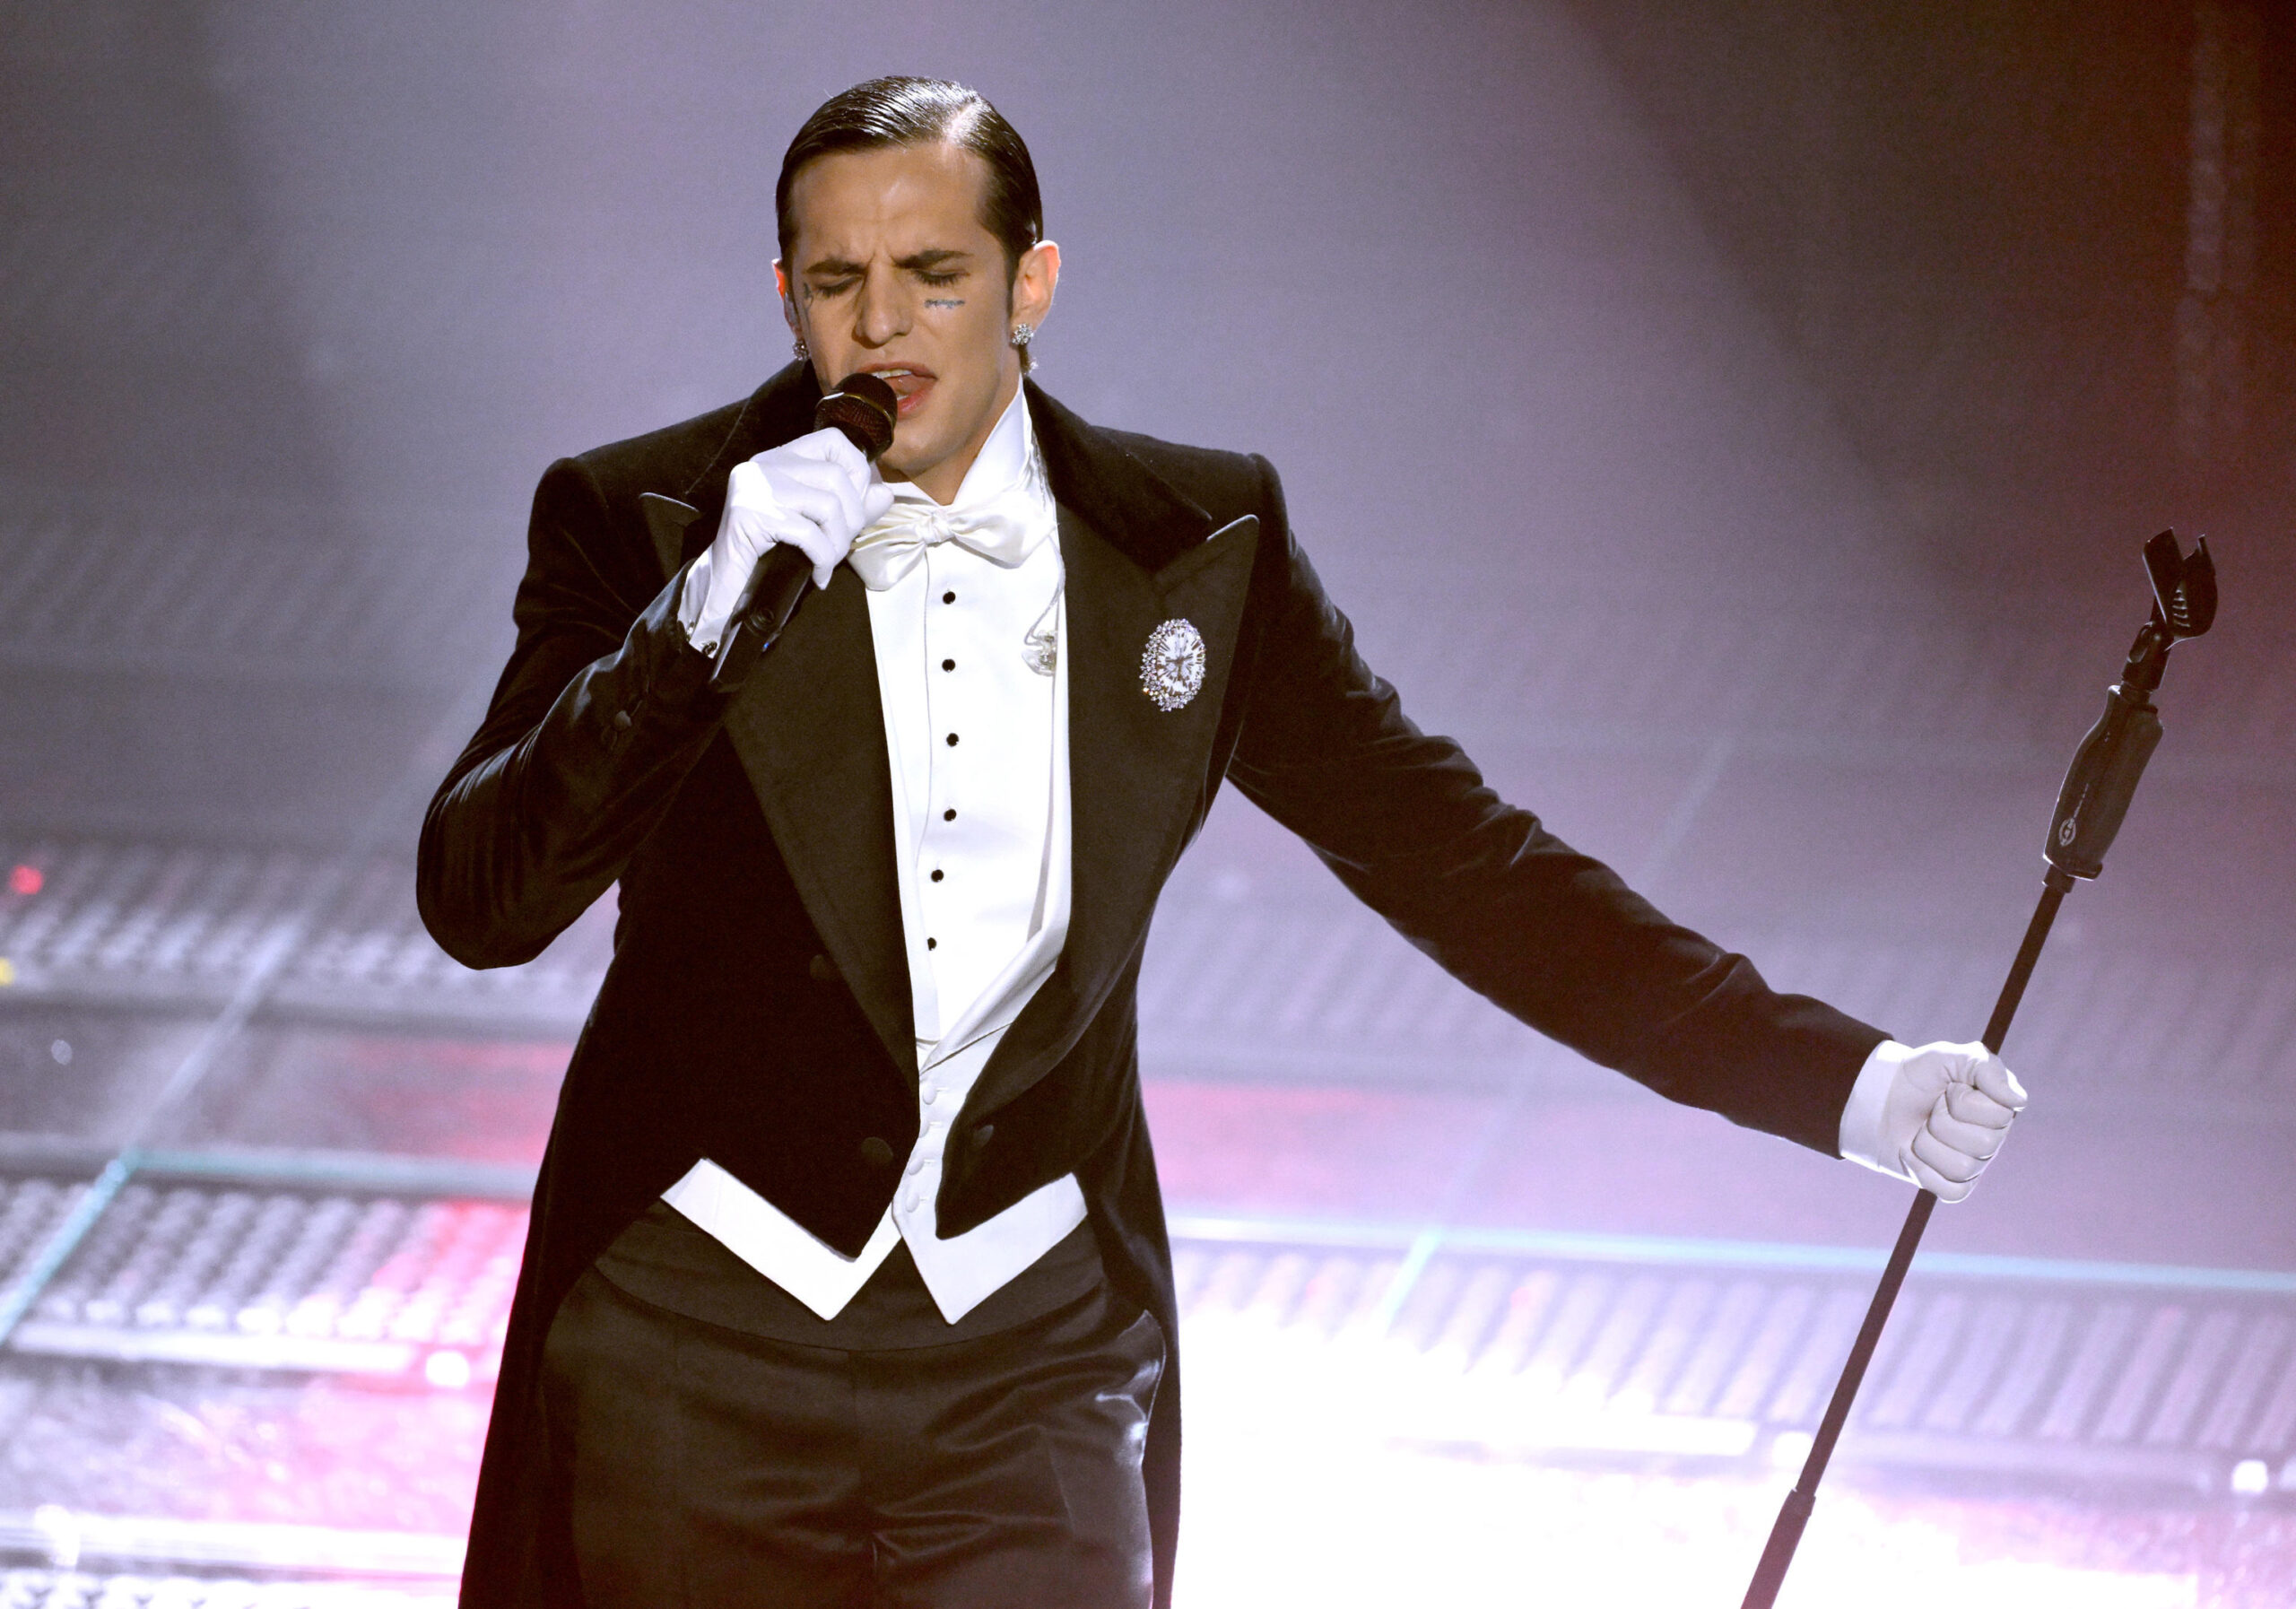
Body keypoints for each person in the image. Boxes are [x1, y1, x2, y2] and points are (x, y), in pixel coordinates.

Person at [418, 74, 2028, 1609]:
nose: (883, 325)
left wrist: (1841, 1080)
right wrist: (692, 625)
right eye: (838, 279)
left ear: (1034, 280)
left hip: (1026, 1362)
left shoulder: (1197, 548)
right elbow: (482, 898)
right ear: (784, 294)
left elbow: (1466, 864)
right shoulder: (643, 521)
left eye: (936, 273)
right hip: (697, 1349)